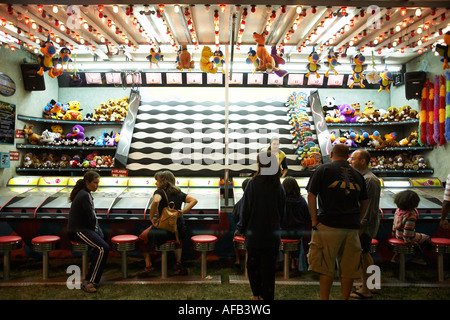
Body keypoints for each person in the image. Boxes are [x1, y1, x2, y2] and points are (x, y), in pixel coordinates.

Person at [306, 144, 369, 300]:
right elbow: (366, 201)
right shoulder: (358, 174)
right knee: (348, 269)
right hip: (351, 228)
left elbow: (311, 195)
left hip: (328, 225)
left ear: (332, 153)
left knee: (326, 267)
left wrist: (314, 219)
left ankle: (324, 298)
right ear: (348, 155)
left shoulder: (323, 170)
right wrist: (358, 219)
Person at [237, 151, 286, 300]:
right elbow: (282, 209)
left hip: (254, 232)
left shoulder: (253, 183)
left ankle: (256, 295)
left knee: (253, 265)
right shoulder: (278, 184)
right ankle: (268, 295)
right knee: (269, 268)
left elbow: (245, 208)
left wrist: (241, 228)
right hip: (272, 234)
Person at [139, 170, 197, 276]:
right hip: (179, 228)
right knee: (177, 239)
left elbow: (156, 201)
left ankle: (148, 265)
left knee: (142, 238)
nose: (156, 183)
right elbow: (194, 200)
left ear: (163, 182)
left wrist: (151, 217)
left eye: (157, 181)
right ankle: (178, 263)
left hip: (163, 230)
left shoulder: (160, 192)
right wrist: (183, 212)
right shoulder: (178, 192)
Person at [67, 171, 109, 293]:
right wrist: (97, 232)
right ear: (87, 182)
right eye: (95, 183)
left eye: (98, 183)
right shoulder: (85, 195)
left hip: (82, 229)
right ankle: (89, 280)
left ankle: (92, 266)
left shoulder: (84, 193)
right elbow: (92, 217)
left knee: (102, 239)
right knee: (103, 247)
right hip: (78, 231)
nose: (97, 185)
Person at [349, 149, 381, 299]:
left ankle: (367, 290)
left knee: (364, 255)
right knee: (365, 254)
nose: (350, 161)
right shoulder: (364, 178)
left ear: (362, 161)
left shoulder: (370, 180)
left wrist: (361, 227)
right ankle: (371, 284)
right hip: (364, 223)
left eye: (354, 158)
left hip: (365, 225)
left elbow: (367, 207)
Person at [391, 189, 430, 265]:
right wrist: (407, 241)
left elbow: (394, 223)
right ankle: (417, 257)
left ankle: (395, 257)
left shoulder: (398, 211)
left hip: (398, 234)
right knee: (427, 238)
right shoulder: (411, 215)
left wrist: (393, 232)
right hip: (406, 237)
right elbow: (408, 230)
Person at [281, 176, 311, 271]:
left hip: (282, 232)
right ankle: (295, 262)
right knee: (298, 242)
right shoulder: (301, 201)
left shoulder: (280, 201)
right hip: (298, 233)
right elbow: (308, 217)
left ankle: (279, 263)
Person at [232, 178, 250, 268]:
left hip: (244, 231)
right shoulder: (259, 201)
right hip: (257, 231)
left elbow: (235, 217)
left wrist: (240, 229)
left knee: (235, 235)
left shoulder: (239, 203)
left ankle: (238, 260)